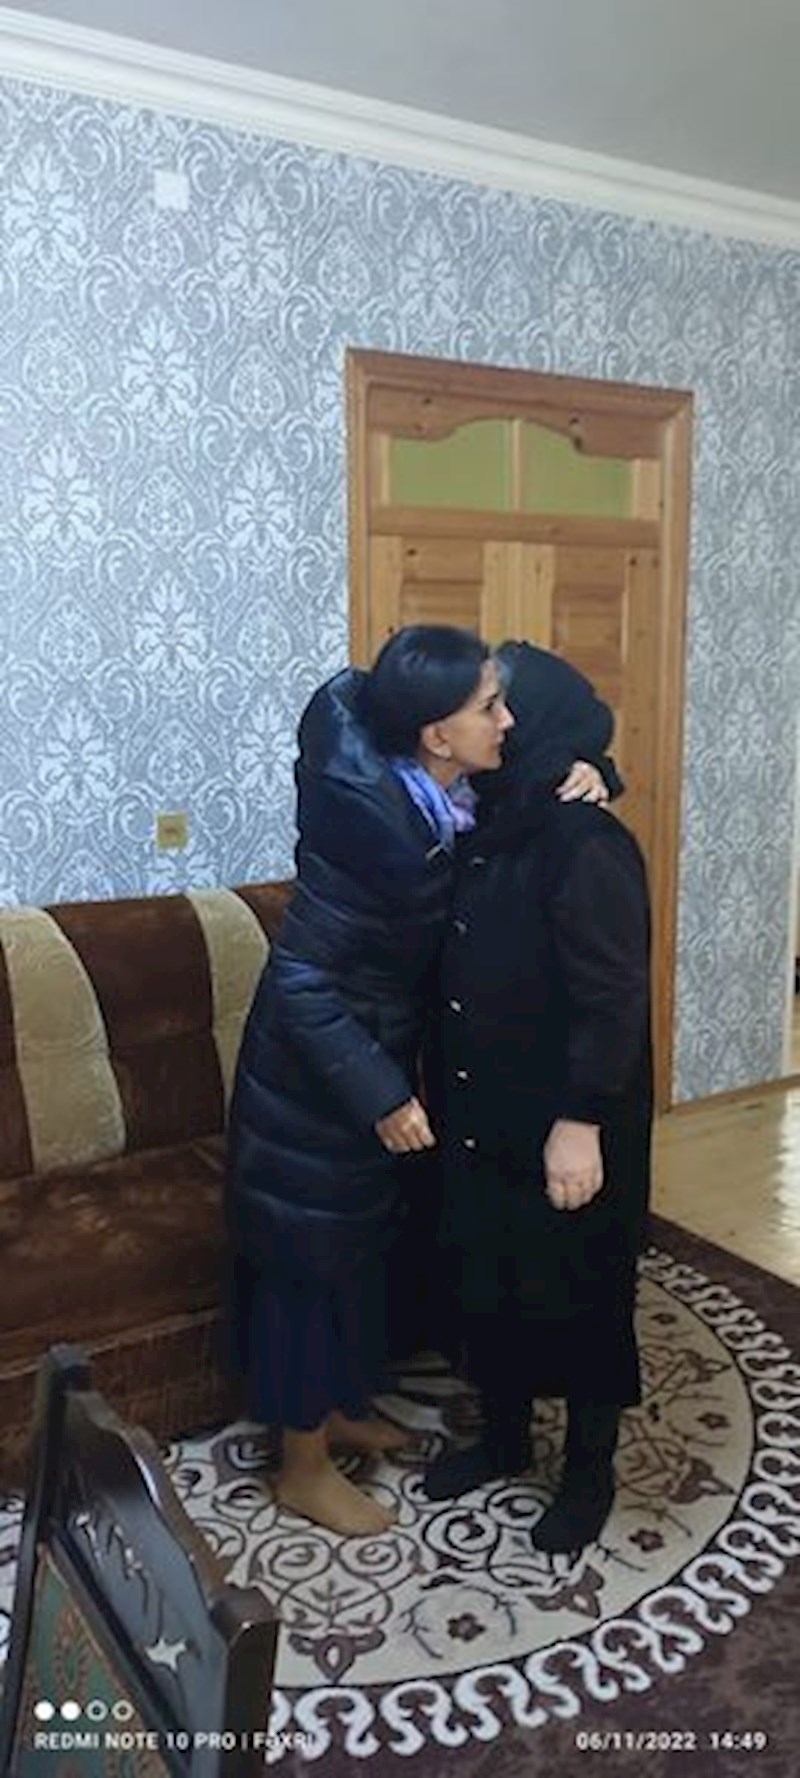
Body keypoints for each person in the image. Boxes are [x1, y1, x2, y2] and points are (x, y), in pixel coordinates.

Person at [226, 626, 607, 1537]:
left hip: (369, 1058)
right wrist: (383, 1095)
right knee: (308, 1271)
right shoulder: (372, 836)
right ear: (437, 734)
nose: (507, 721)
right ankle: (301, 1468)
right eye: (490, 707)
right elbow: (301, 982)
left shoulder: (442, 792)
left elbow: (544, 767)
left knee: (357, 1258)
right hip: (314, 1086)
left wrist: (597, 771)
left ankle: (336, 1412)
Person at [420, 640, 653, 1556]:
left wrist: (580, 1120)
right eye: (490, 705)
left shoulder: (586, 840)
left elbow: (614, 997)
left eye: (509, 705)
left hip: (568, 1112)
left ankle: (589, 1470)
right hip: (487, 1104)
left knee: (584, 1288)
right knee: (493, 1276)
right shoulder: (492, 812)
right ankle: (506, 1439)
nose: (502, 720)